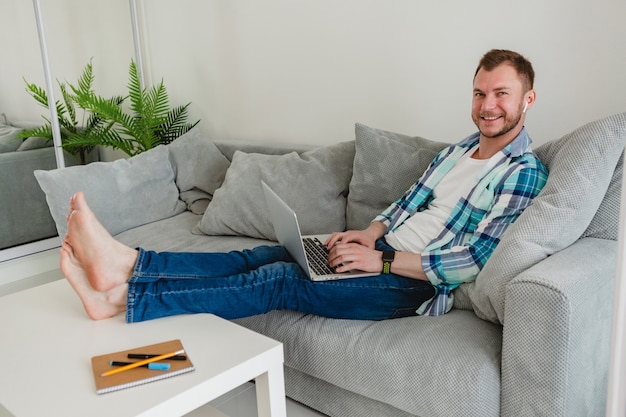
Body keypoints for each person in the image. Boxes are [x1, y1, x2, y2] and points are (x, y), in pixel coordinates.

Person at [61, 49, 548, 323]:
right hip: (381, 254)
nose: (488, 104)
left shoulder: (522, 172)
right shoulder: (458, 151)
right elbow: (409, 203)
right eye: (480, 92)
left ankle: (124, 297)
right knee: (257, 256)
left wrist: (378, 260)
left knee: (278, 281)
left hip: (407, 286)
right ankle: (129, 265)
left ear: (527, 100)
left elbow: (471, 261)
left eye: (501, 94)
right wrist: (370, 234)